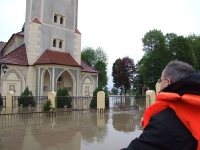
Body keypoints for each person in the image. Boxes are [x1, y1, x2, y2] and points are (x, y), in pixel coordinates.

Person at [121, 60, 200, 150]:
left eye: (160, 80)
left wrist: (156, 123)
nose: (159, 83)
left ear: (168, 82)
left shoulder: (164, 124)